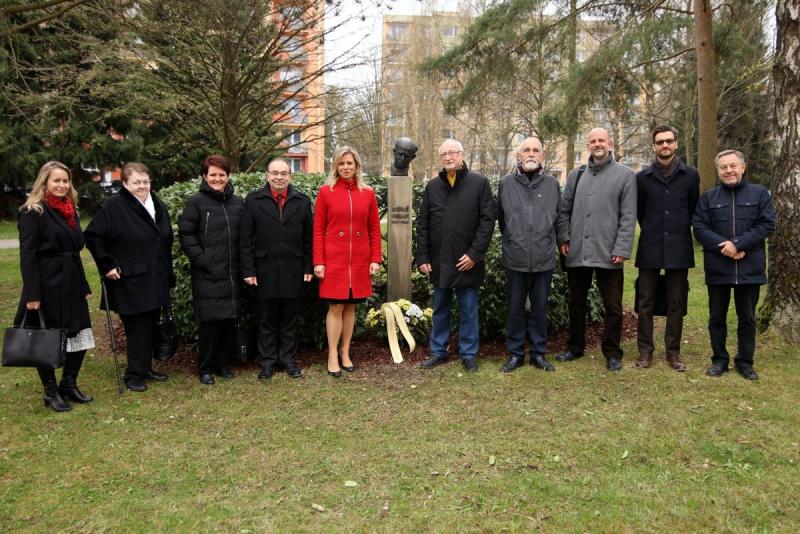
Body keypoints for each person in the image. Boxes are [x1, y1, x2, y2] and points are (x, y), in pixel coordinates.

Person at [85, 162, 174, 392]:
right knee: (137, 329)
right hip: (130, 279)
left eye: (145, 181)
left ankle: (145, 368)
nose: (142, 186)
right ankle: (134, 375)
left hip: (155, 276)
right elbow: (93, 236)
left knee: (150, 325)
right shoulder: (114, 206)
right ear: (125, 183)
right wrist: (107, 265)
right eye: (136, 182)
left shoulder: (155, 203)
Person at [15, 161, 95, 412]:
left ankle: (68, 383)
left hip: (72, 280)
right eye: (56, 180)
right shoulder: (33, 211)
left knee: (80, 332)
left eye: (65, 180)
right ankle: (50, 391)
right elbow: (28, 256)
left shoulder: (71, 210)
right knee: (46, 336)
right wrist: (32, 293)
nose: (62, 185)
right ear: (45, 182)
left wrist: (83, 284)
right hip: (47, 282)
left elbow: (75, 249)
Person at [556, 127, 637, 371]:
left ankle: (612, 352)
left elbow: (628, 216)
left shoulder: (626, 175)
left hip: (609, 251)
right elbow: (564, 210)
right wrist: (564, 237)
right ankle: (575, 347)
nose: (597, 144)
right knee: (576, 302)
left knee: (612, 306)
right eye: (593, 141)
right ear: (588, 146)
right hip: (577, 249)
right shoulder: (576, 174)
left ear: (610, 143)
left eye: (601, 140)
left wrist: (622, 247)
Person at [692, 149, 775, 380]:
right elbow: (699, 227)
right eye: (723, 167)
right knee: (716, 318)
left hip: (750, 268)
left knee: (747, 319)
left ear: (743, 167)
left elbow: (766, 225)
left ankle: (745, 362)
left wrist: (737, 244)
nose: (728, 170)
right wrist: (725, 247)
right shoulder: (708, 198)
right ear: (718, 171)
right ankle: (719, 360)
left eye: (733, 166)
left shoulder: (760, 194)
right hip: (718, 267)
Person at [415, 139, 496, 372]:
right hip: (439, 260)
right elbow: (423, 224)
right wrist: (423, 257)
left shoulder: (479, 183)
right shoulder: (433, 187)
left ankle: (468, 354)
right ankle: (438, 351)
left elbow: (487, 222)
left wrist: (474, 254)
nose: (448, 157)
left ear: (462, 155)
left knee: (468, 310)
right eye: (444, 154)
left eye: (452, 153)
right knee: (440, 308)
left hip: (467, 262)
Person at [634, 126, 700, 371]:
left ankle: (673, 352)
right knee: (645, 301)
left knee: (676, 302)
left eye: (669, 141)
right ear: (654, 146)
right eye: (660, 142)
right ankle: (645, 351)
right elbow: (640, 212)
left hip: (679, 246)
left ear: (676, 143)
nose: (665, 145)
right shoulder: (642, 177)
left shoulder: (690, 175)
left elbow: (693, 208)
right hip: (650, 245)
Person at [313, 146, 382, 377]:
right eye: (341, 163)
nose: (345, 167)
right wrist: (318, 261)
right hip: (334, 260)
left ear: (356, 166)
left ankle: (345, 352)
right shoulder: (326, 192)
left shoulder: (368, 193)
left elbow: (374, 228)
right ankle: (332, 354)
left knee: (351, 306)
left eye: (349, 163)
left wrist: (375, 258)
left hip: (360, 260)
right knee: (335, 307)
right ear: (335, 166)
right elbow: (318, 230)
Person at [241, 158, 312, 380]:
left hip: (294, 269)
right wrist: (248, 270)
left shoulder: (302, 201)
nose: (279, 177)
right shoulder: (253, 201)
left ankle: (288, 360)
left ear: (290, 176)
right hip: (264, 270)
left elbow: (308, 239)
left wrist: (308, 266)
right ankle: (267, 362)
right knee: (266, 320)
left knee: (290, 320)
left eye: (283, 173)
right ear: (267, 175)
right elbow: (245, 239)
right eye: (275, 173)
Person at [496, 137, 562, 373]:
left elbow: (558, 218)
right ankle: (515, 354)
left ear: (542, 156)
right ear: (519, 155)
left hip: (544, 258)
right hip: (516, 257)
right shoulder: (506, 183)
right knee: (515, 309)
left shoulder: (552, 184)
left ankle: (538, 353)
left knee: (539, 309)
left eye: (536, 150)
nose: (531, 154)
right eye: (526, 150)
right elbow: (502, 220)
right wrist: (514, 238)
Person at [178, 155, 243, 385]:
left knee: (228, 322)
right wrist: (202, 260)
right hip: (207, 273)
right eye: (212, 174)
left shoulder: (238, 202)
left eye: (221, 175)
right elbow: (186, 234)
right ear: (204, 177)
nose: (217, 179)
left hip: (232, 273)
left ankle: (222, 364)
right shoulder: (196, 202)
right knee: (210, 324)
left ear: (228, 176)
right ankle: (205, 367)